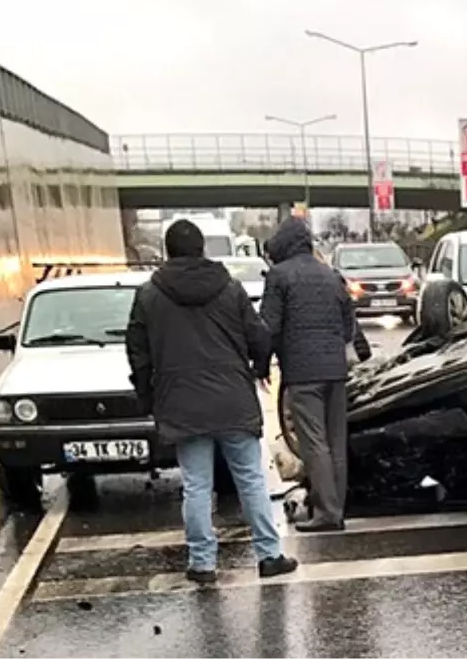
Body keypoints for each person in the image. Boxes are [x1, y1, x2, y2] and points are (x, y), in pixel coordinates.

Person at [126, 219, 298, 584]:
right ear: (201, 248)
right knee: (250, 480)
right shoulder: (229, 288)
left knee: (196, 485)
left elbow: (137, 351)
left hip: (182, 402)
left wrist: (147, 395)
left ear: (168, 251)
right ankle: (268, 555)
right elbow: (259, 336)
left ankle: (203, 563)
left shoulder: (149, 295)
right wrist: (259, 366)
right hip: (232, 398)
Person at [259, 215, 367, 532]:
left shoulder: (279, 276)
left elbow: (269, 327)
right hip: (335, 371)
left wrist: (262, 364)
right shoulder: (330, 274)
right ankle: (337, 507)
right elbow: (349, 324)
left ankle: (327, 513)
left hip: (303, 373)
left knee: (314, 443)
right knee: (335, 442)